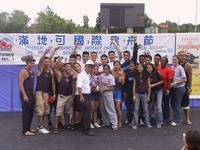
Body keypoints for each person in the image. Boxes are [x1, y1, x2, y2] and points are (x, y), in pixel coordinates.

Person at [35, 48, 56, 134]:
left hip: (47, 93)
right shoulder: (40, 70)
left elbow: (53, 83)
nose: (47, 63)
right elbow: (40, 60)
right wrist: (45, 52)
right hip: (39, 92)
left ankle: (40, 125)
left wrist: (54, 94)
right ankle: (40, 126)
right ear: (43, 63)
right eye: (45, 61)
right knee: (40, 109)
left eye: (48, 61)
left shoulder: (50, 71)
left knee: (45, 110)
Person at [53, 63, 75, 134]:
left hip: (69, 96)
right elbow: (54, 67)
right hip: (62, 96)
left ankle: (67, 124)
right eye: (67, 66)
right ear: (64, 68)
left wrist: (72, 97)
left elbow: (73, 87)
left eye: (70, 66)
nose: (68, 68)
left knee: (67, 112)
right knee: (58, 112)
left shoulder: (72, 76)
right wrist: (58, 61)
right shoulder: (60, 75)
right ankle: (56, 127)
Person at [77, 60, 95, 136]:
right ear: (85, 67)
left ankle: (82, 127)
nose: (90, 69)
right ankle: (87, 130)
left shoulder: (88, 75)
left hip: (87, 95)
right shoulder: (81, 75)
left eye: (91, 67)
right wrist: (81, 96)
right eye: (89, 67)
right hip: (83, 95)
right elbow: (79, 86)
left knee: (85, 112)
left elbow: (87, 85)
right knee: (87, 113)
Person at [19, 55, 36, 136]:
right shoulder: (23, 71)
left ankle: (28, 128)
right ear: (27, 63)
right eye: (31, 63)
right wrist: (24, 95)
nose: (32, 64)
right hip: (25, 93)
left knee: (31, 112)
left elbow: (31, 84)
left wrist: (33, 93)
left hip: (31, 94)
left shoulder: (32, 71)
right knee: (26, 112)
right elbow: (21, 84)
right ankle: (25, 130)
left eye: (33, 63)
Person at [132, 63, 152, 129]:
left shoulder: (147, 75)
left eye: (141, 67)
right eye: (138, 67)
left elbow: (149, 86)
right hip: (137, 94)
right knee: (136, 109)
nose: (139, 68)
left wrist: (149, 96)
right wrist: (134, 95)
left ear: (143, 68)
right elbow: (134, 86)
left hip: (144, 94)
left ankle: (147, 123)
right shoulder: (135, 75)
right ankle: (135, 124)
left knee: (145, 109)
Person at [99, 64, 118, 131]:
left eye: (107, 69)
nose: (106, 70)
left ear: (109, 70)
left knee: (111, 109)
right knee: (103, 109)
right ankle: (106, 122)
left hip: (108, 95)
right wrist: (100, 88)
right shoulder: (101, 75)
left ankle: (114, 124)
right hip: (102, 94)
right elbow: (99, 84)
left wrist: (104, 90)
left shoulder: (111, 77)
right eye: (105, 69)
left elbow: (112, 88)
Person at [170, 55, 187, 126]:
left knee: (177, 104)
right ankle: (178, 118)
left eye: (175, 60)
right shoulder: (171, 67)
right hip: (174, 88)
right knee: (172, 103)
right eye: (173, 60)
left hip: (180, 88)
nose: (174, 61)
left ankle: (177, 121)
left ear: (178, 60)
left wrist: (176, 82)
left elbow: (184, 79)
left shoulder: (180, 68)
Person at [146, 63, 163, 128]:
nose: (148, 69)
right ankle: (148, 121)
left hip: (159, 90)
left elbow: (162, 81)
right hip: (151, 92)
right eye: (147, 68)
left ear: (152, 68)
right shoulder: (146, 74)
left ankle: (159, 122)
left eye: (149, 67)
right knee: (151, 106)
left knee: (158, 106)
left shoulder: (156, 73)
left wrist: (154, 85)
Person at [178, 51, 192, 125]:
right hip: (176, 87)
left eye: (183, 56)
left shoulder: (187, 65)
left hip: (184, 87)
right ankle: (177, 119)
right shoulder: (175, 64)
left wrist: (189, 88)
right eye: (180, 55)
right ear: (178, 56)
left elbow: (190, 78)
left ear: (185, 57)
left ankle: (187, 119)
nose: (182, 57)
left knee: (185, 105)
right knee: (176, 104)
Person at [112, 60, 125, 127]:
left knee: (117, 107)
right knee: (112, 107)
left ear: (120, 65)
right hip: (111, 91)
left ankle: (120, 121)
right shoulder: (111, 72)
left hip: (118, 91)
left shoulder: (122, 72)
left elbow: (122, 83)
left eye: (117, 65)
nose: (116, 66)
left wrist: (121, 76)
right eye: (115, 65)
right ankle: (114, 120)